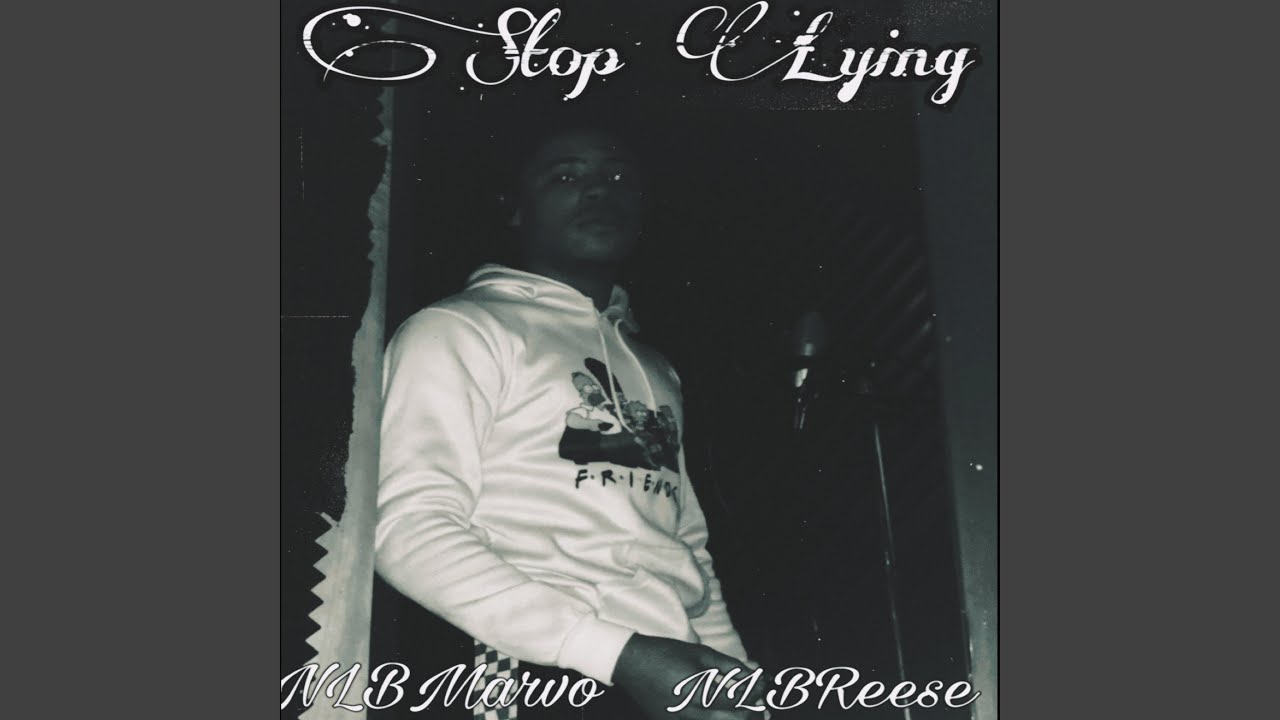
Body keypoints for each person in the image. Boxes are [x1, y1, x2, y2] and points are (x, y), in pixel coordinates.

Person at [375, 126, 760, 719]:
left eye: (618, 176)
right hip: (531, 667)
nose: (598, 190)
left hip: (663, 672)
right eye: (565, 176)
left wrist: (731, 670)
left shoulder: (655, 367)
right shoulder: (460, 329)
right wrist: (614, 653)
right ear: (515, 209)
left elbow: (684, 546)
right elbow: (407, 529)